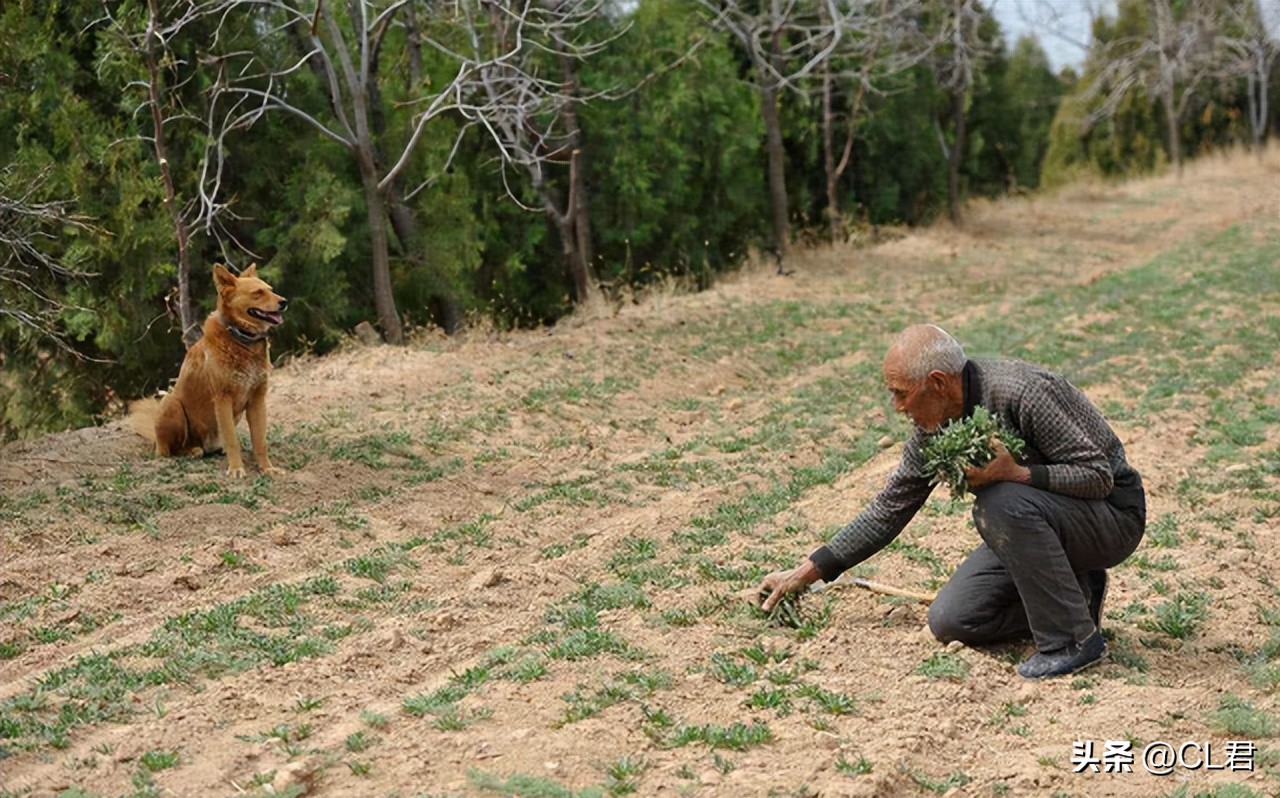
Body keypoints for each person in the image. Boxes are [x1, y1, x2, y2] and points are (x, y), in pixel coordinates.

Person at [757, 324, 1146, 679]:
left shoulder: (1024, 392)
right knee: (954, 619)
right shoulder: (936, 427)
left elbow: (1099, 476)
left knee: (999, 501)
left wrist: (1019, 474)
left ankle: (1071, 640)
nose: (897, 407)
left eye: (901, 393)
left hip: (1111, 517)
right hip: (1040, 526)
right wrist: (807, 573)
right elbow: (889, 509)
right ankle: (1077, 595)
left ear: (938, 383)